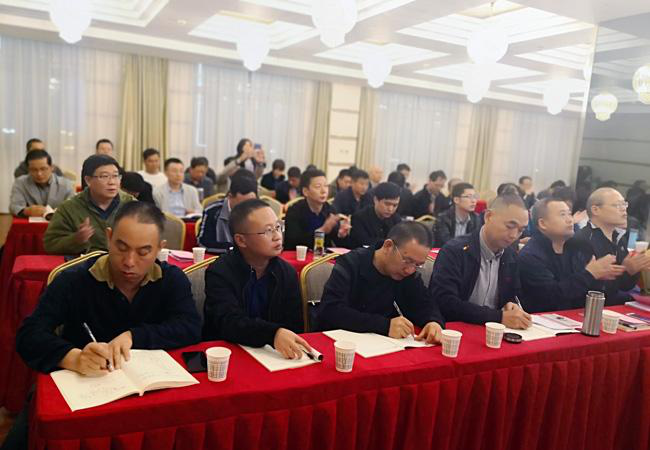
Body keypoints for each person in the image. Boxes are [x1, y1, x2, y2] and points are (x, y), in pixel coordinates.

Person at [3, 202, 202, 450]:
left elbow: (190, 327)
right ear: (108, 237)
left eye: (143, 252)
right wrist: (73, 357)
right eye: (121, 247)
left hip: (150, 397)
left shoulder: (171, 279)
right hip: (83, 395)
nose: (129, 262)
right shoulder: (75, 280)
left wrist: (133, 336)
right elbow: (29, 334)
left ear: (160, 248)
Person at [203, 199, 310, 358]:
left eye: (278, 227)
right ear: (241, 240)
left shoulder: (286, 272)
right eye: (267, 231)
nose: (277, 236)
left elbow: (294, 324)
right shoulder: (220, 272)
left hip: (275, 355)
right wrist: (272, 334)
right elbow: (229, 322)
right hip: (228, 354)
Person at [318, 222, 444, 342]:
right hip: (340, 342)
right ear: (388, 246)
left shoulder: (408, 273)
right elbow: (331, 310)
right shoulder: (351, 263)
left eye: (418, 265)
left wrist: (433, 322)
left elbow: (424, 303)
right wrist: (384, 325)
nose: (410, 270)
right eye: (407, 261)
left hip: (386, 344)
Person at [429, 194, 532, 328]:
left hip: (494, 331)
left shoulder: (510, 255)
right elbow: (446, 302)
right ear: (488, 216)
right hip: (455, 329)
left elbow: (513, 294)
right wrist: (498, 317)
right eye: (509, 226)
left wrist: (511, 305)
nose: (514, 235)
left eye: (520, 230)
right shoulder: (455, 251)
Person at [519, 198, 629, 313]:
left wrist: (598, 277)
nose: (570, 220)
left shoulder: (574, 248)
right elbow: (552, 297)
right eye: (562, 215)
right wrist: (590, 274)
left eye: (569, 214)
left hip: (571, 316)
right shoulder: (531, 256)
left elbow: (581, 293)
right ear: (543, 223)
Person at [43, 155, 135, 255]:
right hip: (86, 262)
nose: (112, 182)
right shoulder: (69, 208)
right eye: (104, 176)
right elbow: (50, 245)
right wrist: (76, 239)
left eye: (116, 176)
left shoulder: (132, 205)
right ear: (88, 180)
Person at [575, 188, 650, 305]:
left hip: (610, 306)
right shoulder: (583, 239)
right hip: (588, 307)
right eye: (617, 205)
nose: (624, 209)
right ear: (596, 210)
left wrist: (632, 270)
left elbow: (624, 286)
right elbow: (588, 289)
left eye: (624, 204)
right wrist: (627, 270)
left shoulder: (619, 238)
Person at [284, 169, 350, 249]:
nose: (323, 191)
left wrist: (341, 234)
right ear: (305, 191)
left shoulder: (330, 210)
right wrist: (322, 230)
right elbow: (292, 243)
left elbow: (337, 245)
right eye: (318, 186)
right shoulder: (294, 211)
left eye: (326, 186)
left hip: (324, 256)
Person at [198, 170, 258, 253]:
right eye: (242, 203)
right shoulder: (212, 211)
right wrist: (231, 249)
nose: (247, 208)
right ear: (230, 196)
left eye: (251, 203)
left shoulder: (258, 211)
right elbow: (203, 243)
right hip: (221, 256)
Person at [10, 149, 74, 217]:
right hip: (31, 222)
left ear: (52, 167)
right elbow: (14, 206)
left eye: (43, 169)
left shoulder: (66, 184)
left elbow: (73, 207)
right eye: (34, 170)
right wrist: (27, 211)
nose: (39, 174)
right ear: (28, 169)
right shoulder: (20, 183)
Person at [349, 182, 402, 248]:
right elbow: (364, 242)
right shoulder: (359, 218)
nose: (390, 209)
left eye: (395, 205)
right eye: (387, 204)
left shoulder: (396, 220)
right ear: (375, 200)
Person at [434, 182, 480, 248]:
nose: (474, 201)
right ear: (456, 200)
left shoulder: (476, 219)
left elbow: (475, 243)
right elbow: (445, 243)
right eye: (469, 197)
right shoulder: (443, 219)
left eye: (475, 197)